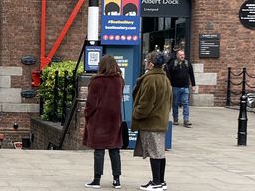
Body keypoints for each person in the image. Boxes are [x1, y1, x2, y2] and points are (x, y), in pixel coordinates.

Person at [131, 51, 172, 191]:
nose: (145, 62)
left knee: (154, 152)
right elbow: (169, 101)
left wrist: (137, 114)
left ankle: (156, 183)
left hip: (150, 121)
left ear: (151, 64)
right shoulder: (165, 78)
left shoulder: (151, 79)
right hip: (160, 120)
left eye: (146, 60)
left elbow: (146, 103)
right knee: (159, 152)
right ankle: (161, 181)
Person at [83, 55, 124, 189]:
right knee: (114, 150)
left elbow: (91, 103)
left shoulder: (97, 81)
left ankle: (96, 179)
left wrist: (87, 114)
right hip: (114, 120)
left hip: (99, 120)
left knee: (99, 151)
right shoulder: (119, 81)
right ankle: (116, 180)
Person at [165, 49, 195, 127]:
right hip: (175, 87)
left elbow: (191, 74)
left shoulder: (187, 63)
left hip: (185, 87)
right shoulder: (172, 64)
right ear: (177, 56)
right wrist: (169, 84)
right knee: (175, 104)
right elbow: (168, 74)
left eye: (183, 54)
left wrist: (193, 85)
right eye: (181, 55)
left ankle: (186, 120)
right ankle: (175, 119)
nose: (182, 56)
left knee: (186, 103)